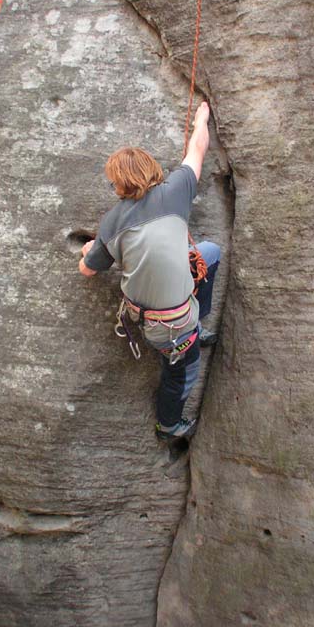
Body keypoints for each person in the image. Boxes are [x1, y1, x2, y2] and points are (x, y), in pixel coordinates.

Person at [79, 101, 220, 440]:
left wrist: (89, 249)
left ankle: (195, 329)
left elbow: (87, 270)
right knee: (181, 375)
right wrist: (202, 117)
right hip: (170, 327)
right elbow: (198, 147)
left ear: (120, 184)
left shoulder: (112, 222)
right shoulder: (176, 189)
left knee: (208, 253)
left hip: (152, 320)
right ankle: (168, 425)